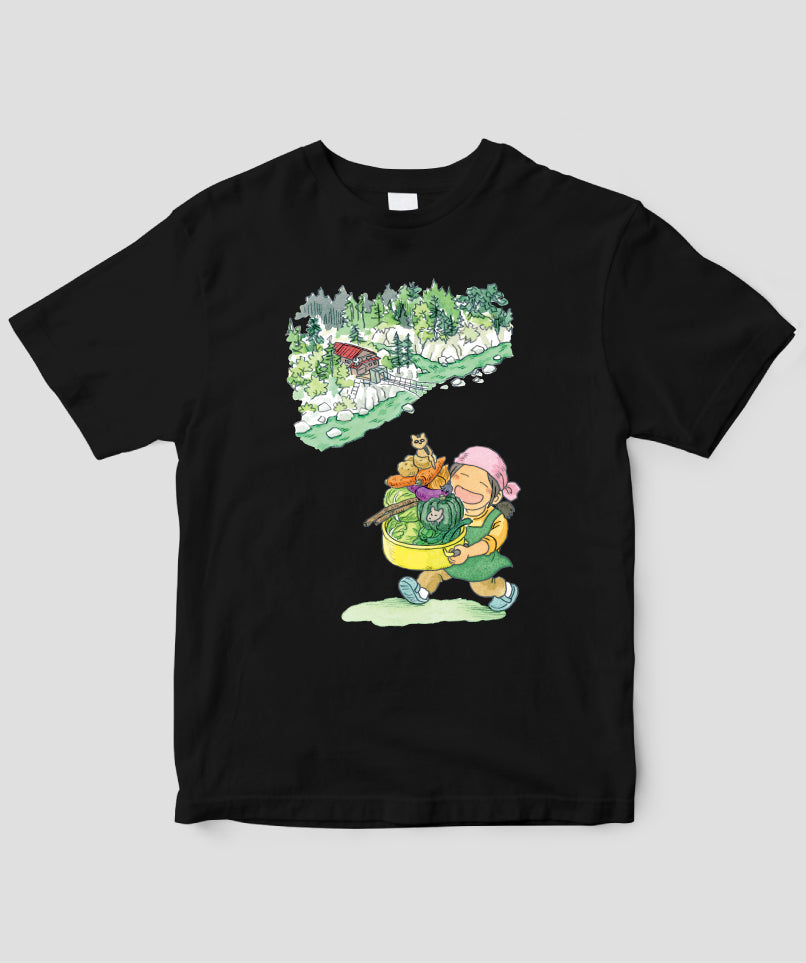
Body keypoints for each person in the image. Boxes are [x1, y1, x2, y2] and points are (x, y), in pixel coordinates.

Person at [398, 446, 520, 612]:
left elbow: (490, 542)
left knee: (482, 588)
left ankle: (506, 591)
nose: (467, 486)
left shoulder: (496, 519)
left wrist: (468, 552)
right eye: (462, 477)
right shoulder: (450, 507)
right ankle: (421, 592)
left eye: (480, 483)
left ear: (496, 496)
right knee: (433, 573)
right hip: (449, 558)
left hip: (478, 565)